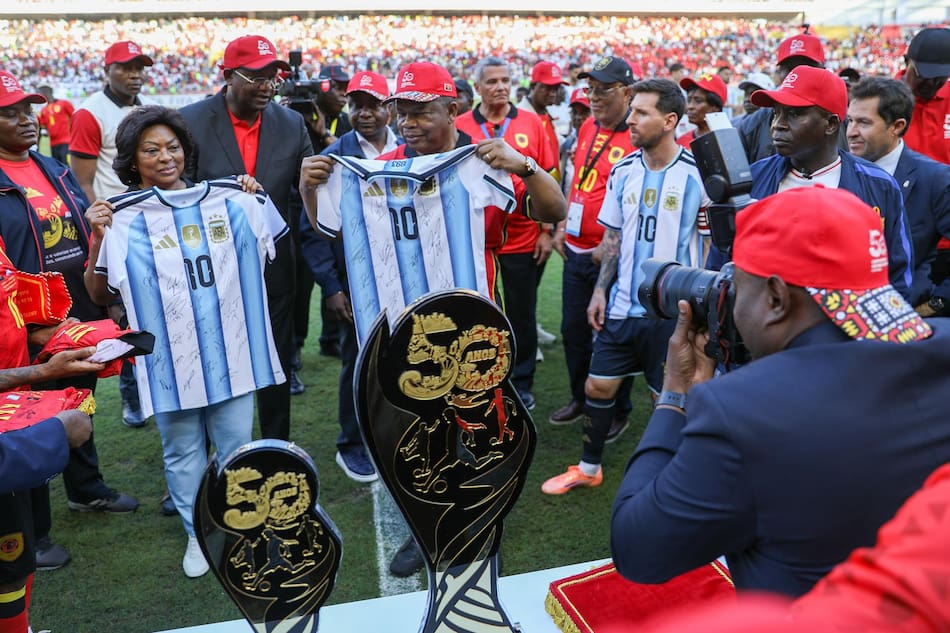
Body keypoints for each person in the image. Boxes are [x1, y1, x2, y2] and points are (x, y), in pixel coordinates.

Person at [611, 185, 950, 597]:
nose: (730, 304)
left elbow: (638, 550)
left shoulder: (742, 411)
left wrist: (675, 394)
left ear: (775, 297)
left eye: (736, 286)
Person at [299, 60, 566, 579]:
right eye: (403, 111)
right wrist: (311, 188)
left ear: (453, 109)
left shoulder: (481, 158)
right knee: (414, 440)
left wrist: (525, 166)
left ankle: (475, 524)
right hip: (403, 335)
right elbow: (325, 224)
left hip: (472, 332)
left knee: (476, 435)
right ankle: (427, 529)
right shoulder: (379, 165)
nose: (408, 122)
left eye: (422, 111)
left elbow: (554, 211)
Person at [83, 105, 286, 578]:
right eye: (150, 150)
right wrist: (97, 237)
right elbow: (98, 292)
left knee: (237, 445)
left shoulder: (233, 198)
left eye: (172, 147)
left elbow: (271, 239)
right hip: (168, 360)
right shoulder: (123, 218)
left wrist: (251, 194)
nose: (164, 157)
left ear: (186, 150)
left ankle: (242, 525)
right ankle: (198, 533)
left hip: (233, 350)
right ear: (133, 160)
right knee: (181, 450)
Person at [542, 79, 710, 494]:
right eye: (631, 110)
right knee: (597, 385)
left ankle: (671, 481)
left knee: (667, 401)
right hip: (620, 306)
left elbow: (710, 248)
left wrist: (702, 314)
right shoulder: (623, 171)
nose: (631, 119)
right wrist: (600, 291)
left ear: (670, 120)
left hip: (674, 315)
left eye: (642, 112)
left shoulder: (698, 176)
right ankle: (588, 467)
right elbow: (612, 240)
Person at [0, 69, 138, 573]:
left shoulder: (51, 167)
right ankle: (29, 534)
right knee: (21, 415)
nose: (25, 120)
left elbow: (78, 228)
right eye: (10, 113)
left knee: (80, 393)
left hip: (74, 302)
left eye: (27, 109)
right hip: (20, 320)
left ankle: (86, 488)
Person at [179, 35, 313, 442]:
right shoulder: (189, 120)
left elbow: (307, 193)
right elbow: (177, 188)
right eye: (255, 76)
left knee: (276, 360)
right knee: (211, 359)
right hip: (211, 267)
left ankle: (276, 448)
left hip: (273, 265)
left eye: (272, 76)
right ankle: (206, 457)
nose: (267, 85)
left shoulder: (291, 123)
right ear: (228, 77)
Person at [711, 65, 914, 299]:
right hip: (762, 330)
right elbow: (720, 268)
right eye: (776, 113)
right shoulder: (751, 179)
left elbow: (898, 276)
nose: (778, 124)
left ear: (831, 124)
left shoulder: (880, 185)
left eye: (794, 114)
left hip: (847, 330)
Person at [299, 71, 398, 484]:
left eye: (373, 104)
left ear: (389, 108)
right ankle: (351, 443)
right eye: (358, 105)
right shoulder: (334, 156)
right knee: (356, 362)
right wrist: (333, 286)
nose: (365, 113)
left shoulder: (410, 150)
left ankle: (394, 434)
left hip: (403, 277)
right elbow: (313, 230)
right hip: (355, 280)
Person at [457, 56, 559, 410]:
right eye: (492, 81)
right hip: (474, 236)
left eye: (504, 80)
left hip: (521, 234)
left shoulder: (532, 123)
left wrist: (547, 231)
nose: (499, 87)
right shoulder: (461, 125)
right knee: (479, 313)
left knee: (522, 311)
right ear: (478, 87)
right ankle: (482, 378)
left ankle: (523, 380)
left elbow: (548, 174)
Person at [550, 56, 638, 433]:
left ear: (627, 93)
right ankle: (579, 397)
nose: (594, 97)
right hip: (574, 249)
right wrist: (559, 225)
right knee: (573, 329)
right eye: (591, 90)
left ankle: (618, 408)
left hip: (612, 256)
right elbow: (578, 182)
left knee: (612, 332)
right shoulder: (587, 126)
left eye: (604, 90)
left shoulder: (636, 132)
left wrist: (611, 241)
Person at [69, 40, 154, 429]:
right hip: (113, 228)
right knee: (120, 313)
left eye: (140, 67)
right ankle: (130, 393)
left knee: (148, 306)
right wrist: (100, 229)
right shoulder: (90, 112)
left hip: (148, 224)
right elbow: (82, 182)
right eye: (126, 67)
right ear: (108, 70)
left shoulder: (145, 108)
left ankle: (152, 385)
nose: (135, 73)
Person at [846, 76, 950, 312]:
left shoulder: (935, 179)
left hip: (907, 315)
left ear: (897, 126)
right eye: (849, 120)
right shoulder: (837, 169)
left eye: (863, 123)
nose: (851, 132)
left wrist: (937, 303)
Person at [736, 30, 825, 163]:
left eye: (806, 67)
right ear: (778, 74)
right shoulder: (752, 125)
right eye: (790, 69)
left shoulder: (842, 120)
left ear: (823, 71)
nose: (798, 74)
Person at [901, 27, 950, 165]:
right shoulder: (883, 100)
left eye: (940, 77)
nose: (932, 83)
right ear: (906, 62)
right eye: (924, 75)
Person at [676, 73, 727, 148]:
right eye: (689, 100)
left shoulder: (728, 142)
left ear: (715, 107)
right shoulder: (681, 142)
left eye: (698, 101)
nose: (690, 106)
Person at [36, 86, 73, 165]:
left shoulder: (64, 104)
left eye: (41, 94)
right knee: (58, 166)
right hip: (53, 143)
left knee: (66, 164)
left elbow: (74, 118)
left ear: (47, 93)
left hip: (66, 141)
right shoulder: (44, 110)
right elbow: (42, 127)